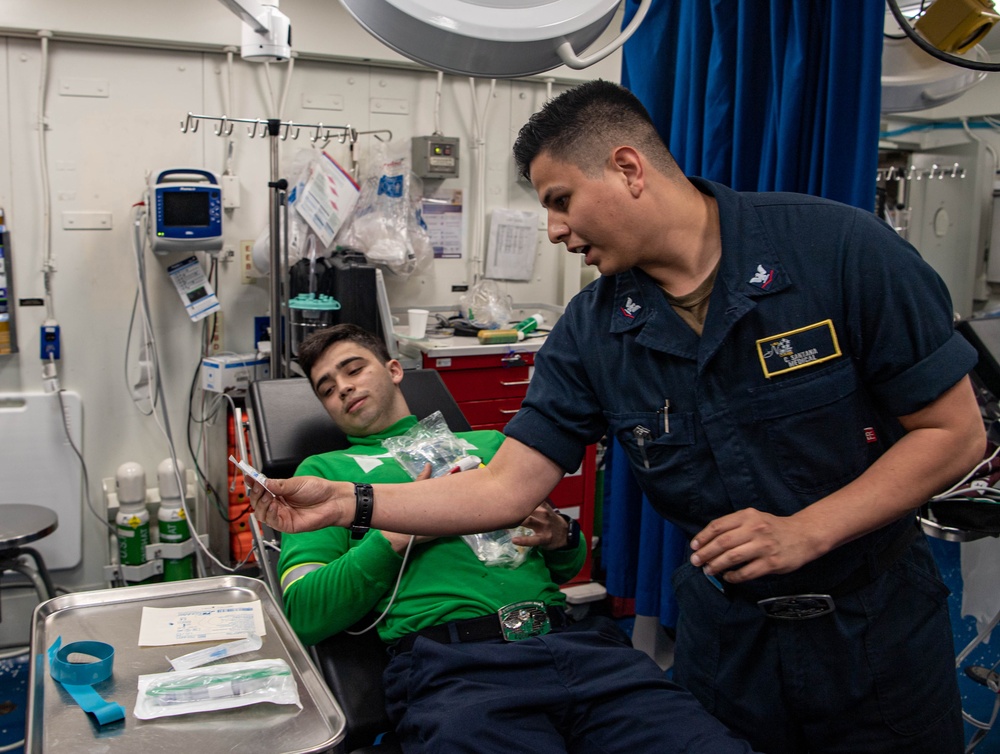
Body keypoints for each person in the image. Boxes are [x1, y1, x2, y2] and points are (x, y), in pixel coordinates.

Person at [250, 82, 987, 753]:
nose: (553, 231)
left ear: (629, 169)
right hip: (729, 642)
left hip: (873, 632)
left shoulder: (838, 252)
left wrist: (807, 529)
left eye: (560, 199)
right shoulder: (593, 332)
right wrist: (352, 500)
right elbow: (504, 489)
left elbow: (954, 434)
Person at [277, 323, 758, 754]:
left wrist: (561, 538)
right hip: (458, 669)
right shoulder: (326, 475)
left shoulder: (492, 446)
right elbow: (304, 612)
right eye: (327, 388)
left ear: (395, 369)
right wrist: (398, 533)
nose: (343, 388)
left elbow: (566, 562)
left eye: (352, 368)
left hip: (574, 646)